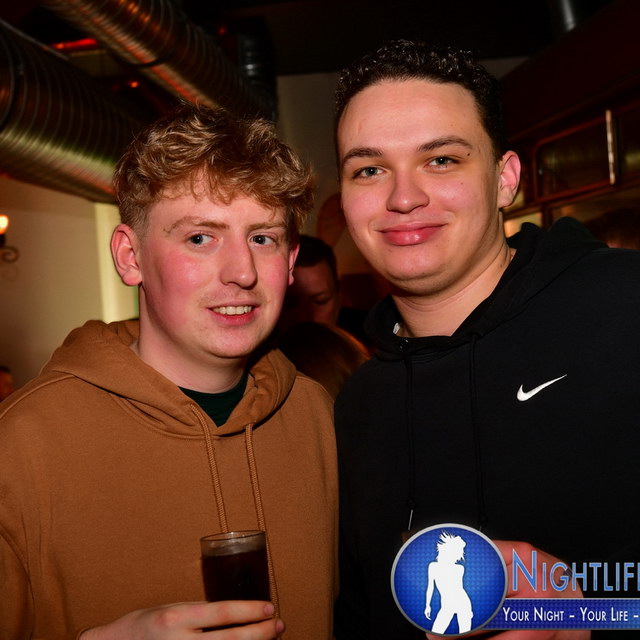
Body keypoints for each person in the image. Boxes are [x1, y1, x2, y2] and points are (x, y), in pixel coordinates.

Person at [333, 39, 638, 639]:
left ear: (505, 179)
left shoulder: (624, 307)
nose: (403, 197)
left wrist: (588, 613)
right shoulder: (358, 405)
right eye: (369, 169)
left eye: (441, 160)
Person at [0, 104, 337, 639]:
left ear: (291, 261)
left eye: (262, 238)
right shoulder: (22, 443)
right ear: (130, 257)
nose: (242, 272)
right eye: (200, 238)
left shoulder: (318, 415)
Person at [280, 234, 371, 346]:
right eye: (291, 303)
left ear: (339, 296)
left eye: (320, 301)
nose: (306, 316)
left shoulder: (372, 335)